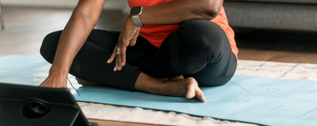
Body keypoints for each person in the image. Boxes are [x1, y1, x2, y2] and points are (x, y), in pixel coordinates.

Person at [39, 0, 238, 102]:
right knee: (56, 46)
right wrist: (58, 73)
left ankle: (117, 76)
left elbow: (209, 6)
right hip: (149, 48)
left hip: (202, 57)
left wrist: (138, 17)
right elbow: (85, 13)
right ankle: (157, 85)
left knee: (203, 38)